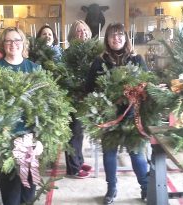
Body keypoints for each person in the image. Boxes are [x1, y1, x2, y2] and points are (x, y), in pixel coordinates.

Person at [85, 23, 149, 204]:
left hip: (132, 115)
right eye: (112, 35)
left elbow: (147, 85)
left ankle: (145, 187)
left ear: (126, 37)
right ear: (107, 39)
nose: (117, 38)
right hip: (109, 116)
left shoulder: (137, 59)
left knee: (136, 153)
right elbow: (89, 87)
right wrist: (105, 99)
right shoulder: (100, 61)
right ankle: (111, 188)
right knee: (109, 153)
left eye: (120, 34)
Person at [0, 27, 39, 205]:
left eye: (17, 40)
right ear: (2, 44)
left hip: (30, 136)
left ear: (23, 43)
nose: (13, 44)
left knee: (29, 188)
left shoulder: (34, 69)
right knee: (11, 190)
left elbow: (44, 104)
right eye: (8, 41)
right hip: (5, 137)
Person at [63, 20, 94, 179]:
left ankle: (79, 161)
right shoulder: (68, 53)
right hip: (72, 98)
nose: (82, 33)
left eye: (84, 30)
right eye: (78, 31)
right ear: (73, 35)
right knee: (73, 132)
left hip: (86, 98)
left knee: (79, 132)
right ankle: (73, 168)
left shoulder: (93, 52)